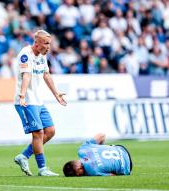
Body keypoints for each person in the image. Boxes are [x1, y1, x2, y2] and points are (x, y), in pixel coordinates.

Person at [14, 30, 67, 176]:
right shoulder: (26, 54)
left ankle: (23, 156)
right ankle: (42, 169)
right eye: (46, 43)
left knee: (50, 131)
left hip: (38, 101)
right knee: (38, 132)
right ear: (36, 42)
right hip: (26, 100)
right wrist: (22, 95)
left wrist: (56, 94)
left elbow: (46, 75)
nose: (49, 47)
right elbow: (27, 75)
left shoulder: (42, 56)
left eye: (49, 43)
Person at [63, 133, 132, 177]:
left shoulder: (92, 172)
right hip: (121, 148)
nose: (83, 176)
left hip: (127, 166)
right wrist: (100, 149)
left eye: (80, 175)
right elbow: (102, 135)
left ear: (79, 168)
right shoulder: (82, 149)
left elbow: (112, 175)